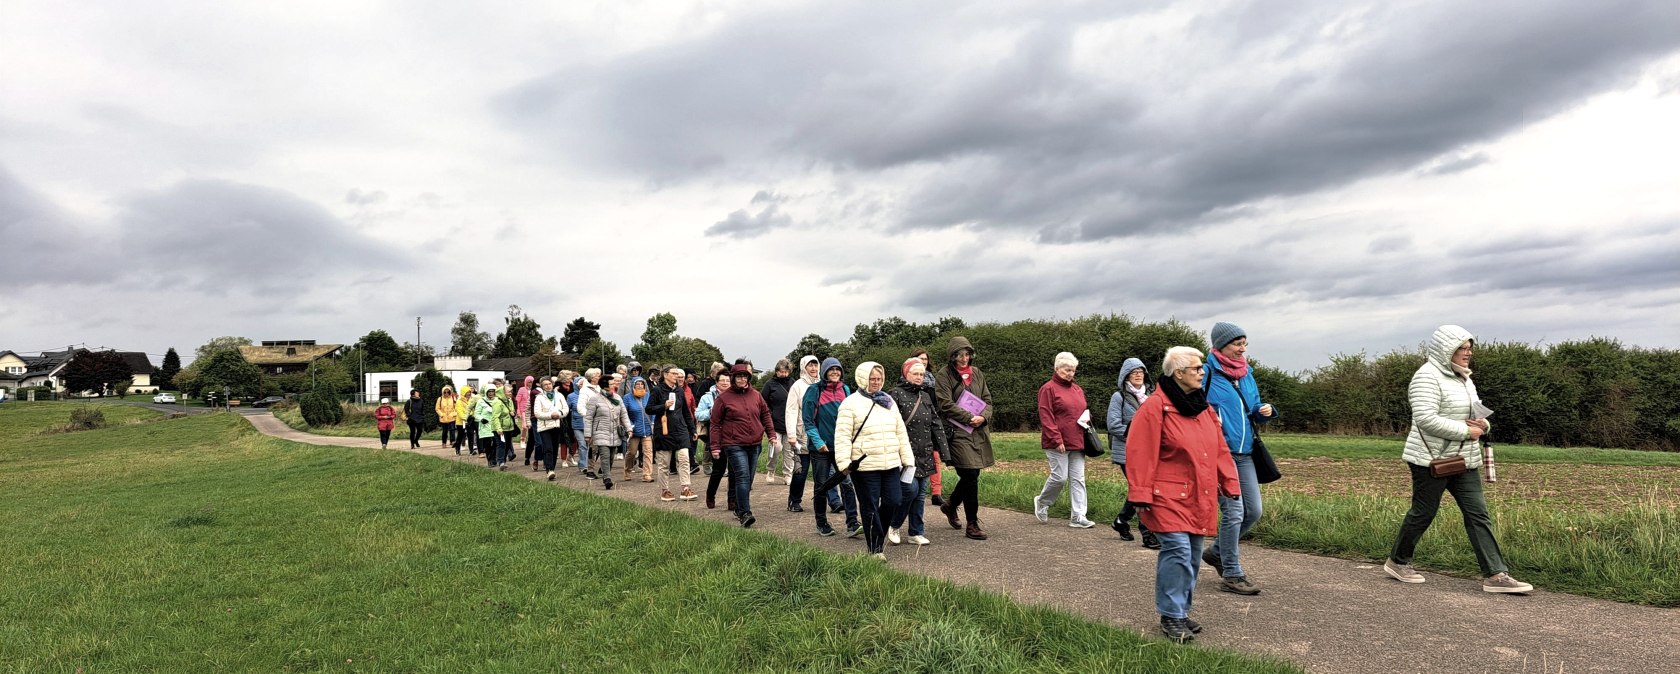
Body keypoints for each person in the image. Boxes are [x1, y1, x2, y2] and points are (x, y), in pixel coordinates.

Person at [1385, 325, 1533, 594]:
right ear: (1446, 350)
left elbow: (1477, 413)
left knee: (1478, 513)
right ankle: (1398, 561)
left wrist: (1483, 426)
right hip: (1430, 459)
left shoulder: (1465, 378)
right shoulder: (1426, 377)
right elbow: (1426, 419)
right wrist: (1467, 430)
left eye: (1469, 348)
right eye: (1461, 348)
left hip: (1464, 459)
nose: (1468, 353)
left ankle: (1496, 575)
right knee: (1424, 512)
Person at [1125, 346, 1240, 643]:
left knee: (1190, 556)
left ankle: (1180, 610)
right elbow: (1139, 452)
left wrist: (1230, 483)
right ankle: (1171, 615)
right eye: (1197, 368)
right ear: (1178, 373)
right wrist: (1140, 492)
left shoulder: (1203, 409)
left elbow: (1220, 449)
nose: (1202, 372)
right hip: (1164, 495)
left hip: (1197, 495)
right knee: (1177, 551)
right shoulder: (1155, 407)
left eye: (1201, 368)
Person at [1201, 322, 1277, 596]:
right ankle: (1232, 573)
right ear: (1221, 345)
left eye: (1244, 343)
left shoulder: (1247, 374)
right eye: (1237, 343)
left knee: (1253, 511)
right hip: (1219, 454)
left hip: (1245, 453)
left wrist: (1264, 410)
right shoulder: (1206, 373)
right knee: (1233, 513)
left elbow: (1252, 406)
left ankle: (1217, 552)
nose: (1242, 348)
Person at [835, 362, 914, 559]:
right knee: (869, 505)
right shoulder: (850, 403)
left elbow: (900, 432)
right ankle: (875, 549)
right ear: (863, 379)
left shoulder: (888, 401)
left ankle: (877, 535)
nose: (876, 382)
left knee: (894, 501)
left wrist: (907, 459)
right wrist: (844, 463)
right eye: (872, 379)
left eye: (879, 379)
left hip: (890, 463)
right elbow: (842, 435)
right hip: (865, 465)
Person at [934, 336, 995, 540]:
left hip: (977, 430)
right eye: (959, 355)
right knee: (969, 475)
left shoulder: (977, 373)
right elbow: (945, 404)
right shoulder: (943, 375)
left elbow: (987, 400)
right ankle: (972, 524)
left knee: (972, 475)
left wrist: (982, 418)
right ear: (952, 356)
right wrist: (969, 417)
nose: (964, 358)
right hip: (957, 431)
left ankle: (950, 506)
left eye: (967, 354)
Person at [708, 364, 778, 527]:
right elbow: (715, 423)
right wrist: (715, 446)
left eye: (745, 376)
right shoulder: (723, 398)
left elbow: (765, 414)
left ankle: (739, 508)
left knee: (749, 478)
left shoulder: (756, 395)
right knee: (743, 476)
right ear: (733, 378)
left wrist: (772, 434)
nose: (742, 379)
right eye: (739, 376)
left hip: (754, 443)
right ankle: (745, 513)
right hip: (733, 444)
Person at [889, 358, 945, 546]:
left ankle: (916, 532)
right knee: (909, 490)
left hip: (925, 452)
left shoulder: (926, 397)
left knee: (920, 494)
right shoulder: (894, 394)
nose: (919, 377)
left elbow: (936, 424)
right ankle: (894, 524)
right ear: (906, 373)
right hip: (905, 454)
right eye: (915, 373)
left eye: (922, 374)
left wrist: (944, 451)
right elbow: (890, 425)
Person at [1035, 352, 1095, 528]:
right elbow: (1046, 415)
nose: (1070, 374)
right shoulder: (1048, 388)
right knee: (1059, 478)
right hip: (1056, 441)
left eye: (1073, 370)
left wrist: (1087, 417)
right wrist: (1056, 439)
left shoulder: (1077, 389)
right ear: (1057, 368)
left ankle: (1078, 516)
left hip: (1078, 439)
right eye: (1067, 370)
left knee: (1078, 479)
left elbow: (1083, 410)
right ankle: (1042, 502)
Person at [804, 357, 862, 538]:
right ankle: (821, 522)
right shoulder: (814, 391)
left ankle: (852, 522)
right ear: (824, 372)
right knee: (822, 485)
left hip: (841, 447)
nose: (835, 372)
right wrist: (818, 441)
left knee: (847, 483)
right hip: (820, 448)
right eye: (831, 369)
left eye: (838, 369)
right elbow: (808, 421)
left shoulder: (845, 390)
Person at [1107, 358, 1157, 548]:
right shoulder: (1118, 397)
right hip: (1127, 452)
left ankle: (1121, 520)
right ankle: (1148, 534)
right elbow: (1113, 425)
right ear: (1126, 375)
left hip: (1150, 452)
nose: (1138, 374)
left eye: (1141, 371)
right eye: (1133, 372)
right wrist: (1137, 434)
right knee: (1143, 489)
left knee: (1140, 489)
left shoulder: (1153, 396)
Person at [649, 367, 698, 501]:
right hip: (664, 430)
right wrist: (663, 406)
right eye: (674, 373)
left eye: (678, 374)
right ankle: (665, 490)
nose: (677, 376)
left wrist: (692, 429)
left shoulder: (679, 391)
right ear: (665, 375)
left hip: (680, 429)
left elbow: (686, 412)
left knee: (684, 460)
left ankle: (686, 489)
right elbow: (649, 409)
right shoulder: (657, 390)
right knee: (664, 463)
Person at [784, 355, 823, 513]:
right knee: (801, 471)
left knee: (823, 471)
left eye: (816, 365)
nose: (814, 369)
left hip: (820, 435)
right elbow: (791, 411)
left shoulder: (823, 384)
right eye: (810, 366)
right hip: (802, 435)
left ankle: (833, 501)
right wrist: (792, 434)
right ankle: (794, 500)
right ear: (803, 368)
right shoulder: (797, 386)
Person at [581, 370, 631, 490]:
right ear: (605, 385)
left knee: (611, 456)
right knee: (604, 455)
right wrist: (588, 434)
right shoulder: (595, 399)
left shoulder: (617, 398)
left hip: (615, 432)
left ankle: (605, 472)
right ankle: (607, 478)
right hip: (600, 431)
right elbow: (588, 418)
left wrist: (628, 428)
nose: (615, 384)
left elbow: (624, 414)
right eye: (612, 383)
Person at [910, 347, 944, 506]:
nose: (923, 361)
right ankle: (913, 489)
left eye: (925, 359)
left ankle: (937, 492)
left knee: (935, 457)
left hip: (930, 423)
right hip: (914, 427)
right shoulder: (907, 382)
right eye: (919, 358)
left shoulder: (933, 381)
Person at [696, 370, 732, 509]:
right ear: (716, 382)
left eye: (727, 381)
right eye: (722, 380)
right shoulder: (707, 397)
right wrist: (712, 411)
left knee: (734, 470)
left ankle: (732, 500)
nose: (725, 383)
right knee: (719, 469)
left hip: (733, 435)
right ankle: (710, 495)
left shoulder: (735, 395)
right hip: (716, 435)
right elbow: (698, 414)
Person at [760, 358, 797, 486]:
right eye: (781, 371)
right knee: (775, 448)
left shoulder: (793, 383)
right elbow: (762, 402)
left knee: (789, 451)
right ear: (776, 371)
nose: (783, 374)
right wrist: (769, 416)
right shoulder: (769, 384)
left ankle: (788, 474)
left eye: (786, 372)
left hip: (790, 423)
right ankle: (771, 470)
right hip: (774, 423)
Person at [533, 377, 570, 481]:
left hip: (557, 425)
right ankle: (549, 469)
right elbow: (537, 413)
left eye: (549, 383)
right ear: (542, 386)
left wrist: (559, 414)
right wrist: (550, 415)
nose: (548, 386)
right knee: (548, 448)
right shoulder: (539, 397)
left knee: (554, 448)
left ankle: (552, 469)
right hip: (544, 426)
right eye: (545, 384)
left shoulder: (559, 395)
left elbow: (565, 409)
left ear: (552, 384)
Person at [476, 384, 516, 470]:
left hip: (507, 427)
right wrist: (482, 419)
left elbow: (511, 410)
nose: (491, 393)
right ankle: (496, 461)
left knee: (505, 445)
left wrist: (512, 412)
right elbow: (494, 416)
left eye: (492, 391)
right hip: (492, 426)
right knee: (496, 444)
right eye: (509, 391)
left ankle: (500, 461)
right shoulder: (494, 402)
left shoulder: (509, 401)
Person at [625, 376, 655, 482]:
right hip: (634, 430)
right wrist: (630, 426)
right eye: (637, 384)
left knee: (648, 452)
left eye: (642, 384)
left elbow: (652, 410)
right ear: (633, 386)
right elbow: (624, 414)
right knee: (632, 452)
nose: (640, 386)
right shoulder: (627, 398)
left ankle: (647, 474)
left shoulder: (648, 396)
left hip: (647, 429)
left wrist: (652, 423)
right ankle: (627, 470)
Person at [569, 373, 590, 476]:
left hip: (588, 423)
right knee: (582, 444)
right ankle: (583, 466)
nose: (582, 386)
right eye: (580, 384)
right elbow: (568, 408)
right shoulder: (571, 396)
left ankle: (588, 464)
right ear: (576, 385)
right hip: (577, 424)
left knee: (589, 445)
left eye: (584, 384)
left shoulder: (589, 394)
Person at [516, 375, 535, 466]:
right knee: (524, 426)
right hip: (523, 410)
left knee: (530, 432)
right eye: (529, 382)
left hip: (532, 412)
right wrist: (518, 411)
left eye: (532, 382)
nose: (530, 383)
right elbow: (518, 401)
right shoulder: (522, 389)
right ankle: (522, 439)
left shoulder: (534, 390)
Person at [436, 385, 459, 452]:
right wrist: (441, 414)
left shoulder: (453, 398)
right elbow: (437, 408)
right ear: (443, 392)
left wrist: (453, 414)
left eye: (448, 392)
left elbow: (457, 407)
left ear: (450, 392)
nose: (446, 393)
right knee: (444, 431)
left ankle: (452, 441)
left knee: (452, 430)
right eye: (445, 392)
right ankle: (444, 442)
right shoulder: (440, 399)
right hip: (443, 418)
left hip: (451, 417)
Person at [456, 385, 477, 455]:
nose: (469, 393)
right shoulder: (459, 401)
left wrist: (472, 415)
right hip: (461, 422)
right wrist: (464, 419)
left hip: (470, 420)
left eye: (469, 392)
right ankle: (457, 449)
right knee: (461, 435)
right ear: (463, 393)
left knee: (471, 435)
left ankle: (471, 450)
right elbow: (459, 411)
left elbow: (472, 409)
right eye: (467, 392)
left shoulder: (471, 400)